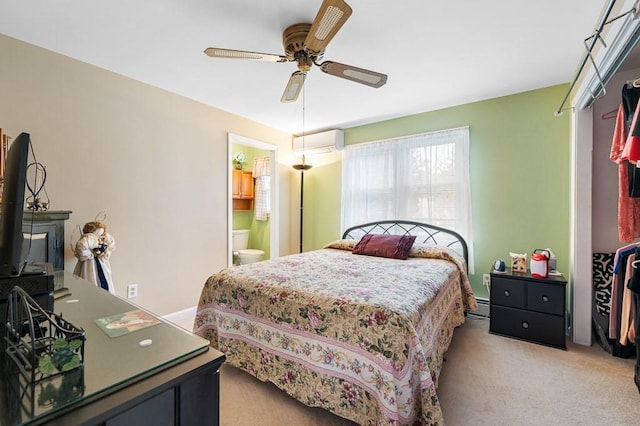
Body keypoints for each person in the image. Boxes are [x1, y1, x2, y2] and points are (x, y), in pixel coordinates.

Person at [73, 220, 115, 294]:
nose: (99, 236)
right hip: (89, 264)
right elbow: (82, 247)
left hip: (101, 262)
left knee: (105, 281)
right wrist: (92, 253)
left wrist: (103, 249)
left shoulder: (103, 239)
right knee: (90, 281)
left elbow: (110, 245)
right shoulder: (87, 240)